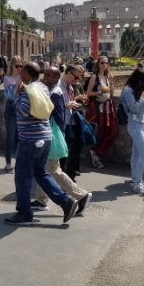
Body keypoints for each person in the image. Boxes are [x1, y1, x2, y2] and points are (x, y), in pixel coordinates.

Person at [4, 61, 78, 226]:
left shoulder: (26, 90)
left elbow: (23, 110)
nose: (19, 75)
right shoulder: (43, 88)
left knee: (22, 176)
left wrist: (17, 93)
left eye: (22, 72)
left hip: (29, 139)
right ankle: (66, 202)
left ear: (27, 75)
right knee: (41, 173)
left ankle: (24, 214)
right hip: (45, 136)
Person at [31, 66, 92, 215]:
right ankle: (41, 199)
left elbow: (59, 119)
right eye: (45, 74)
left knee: (53, 170)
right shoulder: (54, 90)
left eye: (49, 75)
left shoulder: (55, 93)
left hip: (51, 135)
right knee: (43, 168)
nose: (45, 77)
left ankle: (81, 195)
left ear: (57, 78)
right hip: (50, 134)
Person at [122, 69, 144, 195]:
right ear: (138, 80)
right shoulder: (128, 90)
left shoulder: (133, 90)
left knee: (136, 154)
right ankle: (138, 183)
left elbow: (142, 107)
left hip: (140, 124)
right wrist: (143, 97)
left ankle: (135, 180)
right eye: (143, 82)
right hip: (134, 124)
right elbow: (133, 108)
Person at [85, 56, 118, 168]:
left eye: (107, 63)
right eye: (103, 63)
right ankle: (96, 154)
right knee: (100, 133)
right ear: (98, 64)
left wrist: (112, 82)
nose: (105, 65)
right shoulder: (95, 76)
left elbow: (112, 93)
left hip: (109, 107)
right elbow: (88, 93)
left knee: (113, 132)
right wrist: (98, 92)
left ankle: (96, 152)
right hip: (99, 108)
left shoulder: (107, 76)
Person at [61, 65, 88, 181]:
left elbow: (69, 102)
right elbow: (52, 104)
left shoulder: (70, 87)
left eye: (79, 78)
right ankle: (64, 175)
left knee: (77, 144)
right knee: (63, 149)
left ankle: (69, 174)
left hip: (71, 120)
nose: (77, 80)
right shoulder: (58, 85)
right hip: (63, 122)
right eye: (76, 77)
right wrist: (67, 104)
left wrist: (75, 101)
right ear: (68, 73)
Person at [3, 56, 23, 173]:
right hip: (11, 110)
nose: (19, 68)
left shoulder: (22, 77)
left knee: (19, 138)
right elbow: (10, 95)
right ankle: (8, 163)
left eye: (21, 66)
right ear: (12, 66)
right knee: (10, 137)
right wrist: (18, 84)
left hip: (21, 110)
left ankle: (19, 161)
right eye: (17, 66)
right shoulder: (8, 78)